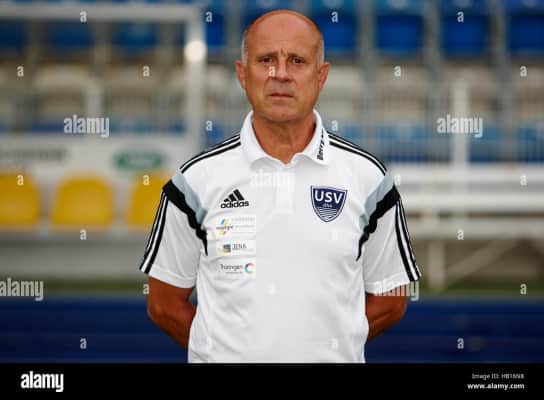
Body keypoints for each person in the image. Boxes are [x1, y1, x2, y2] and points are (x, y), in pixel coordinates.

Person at [140, 10, 421, 362]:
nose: (281, 74)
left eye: (297, 61)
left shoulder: (369, 180)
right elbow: (163, 304)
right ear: (243, 74)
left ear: (321, 76)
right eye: (266, 60)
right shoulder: (194, 182)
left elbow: (391, 300)